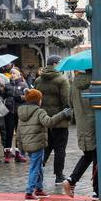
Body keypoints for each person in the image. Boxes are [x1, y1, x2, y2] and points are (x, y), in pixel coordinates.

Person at [15, 88, 72, 200]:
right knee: (35, 167)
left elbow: (19, 131)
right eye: (40, 99)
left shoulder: (21, 112)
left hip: (27, 145)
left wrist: (20, 147)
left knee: (39, 166)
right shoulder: (39, 111)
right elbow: (49, 122)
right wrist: (62, 114)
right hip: (37, 144)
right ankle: (29, 192)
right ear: (37, 100)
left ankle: (39, 189)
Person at [36, 56, 71, 189]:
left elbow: (37, 98)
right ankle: (59, 175)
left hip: (44, 119)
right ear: (55, 64)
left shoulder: (38, 80)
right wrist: (68, 117)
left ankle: (38, 170)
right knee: (60, 148)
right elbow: (66, 102)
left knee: (47, 146)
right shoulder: (62, 80)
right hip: (59, 120)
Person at [61, 69, 97, 198]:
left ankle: (71, 180)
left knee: (88, 155)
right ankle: (97, 190)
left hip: (82, 125)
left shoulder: (73, 84)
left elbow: (70, 104)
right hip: (97, 124)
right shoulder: (97, 81)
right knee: (98, 157)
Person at [0, 67, 27, 162]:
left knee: (19, 133)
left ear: (19, 75)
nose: (12, 75)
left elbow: (28, 96)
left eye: (14, 73)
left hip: (19, 112)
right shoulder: (7, 85)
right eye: (11, 73)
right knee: (9, 132)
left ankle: (18, 153)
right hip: (9, 112)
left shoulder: (24, 85)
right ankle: (7, 154)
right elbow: (1, 97)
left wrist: (21, 97)